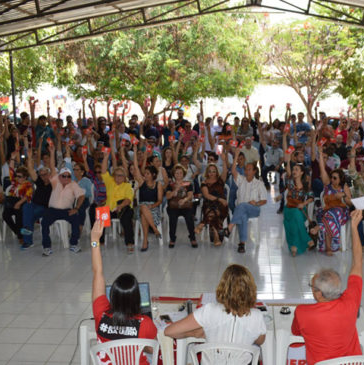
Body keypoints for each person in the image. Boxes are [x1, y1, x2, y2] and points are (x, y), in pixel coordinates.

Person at [291, 210, 364, 365]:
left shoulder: (302, 312)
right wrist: (354, 228)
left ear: (319, 293)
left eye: (312, 286)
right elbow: (358, 263)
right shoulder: (351, 302)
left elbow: (295, 332)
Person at [90, 220, 157, 363]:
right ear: (136, 299)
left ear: (112, 296)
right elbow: (153, 349)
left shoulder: (100, 314)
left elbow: (98, 273)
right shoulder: (145, 323)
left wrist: (95, 240)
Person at [164, 264, 266, 353]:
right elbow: (260, 341)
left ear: (223, 287)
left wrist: (196, 333)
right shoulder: (257, 316)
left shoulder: (209, 310)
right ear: (250, 290)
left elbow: (169, 331)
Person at [40, 150, 86, 256]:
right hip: (53, 210)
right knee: (44, 222)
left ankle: (74, 244)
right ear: (59, 176)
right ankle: (47, 247)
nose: (66, 178)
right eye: (64, 176)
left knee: (76, 218)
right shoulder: (56, 181)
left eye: (68, 176)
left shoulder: (73, 184)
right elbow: (52, 166)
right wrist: (52, 151)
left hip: (66, 210)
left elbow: (81, 196)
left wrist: (76, 208)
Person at [222, 153, 267, 254]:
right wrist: (236, 155)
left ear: (254, 171)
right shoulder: (241, 180)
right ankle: (242, 244)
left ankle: (229, 227)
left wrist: (256, 203)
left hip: (254, 209)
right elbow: (233, 171)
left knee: (241, 206)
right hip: (241, 210)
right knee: (242, 214)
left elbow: (264, 200)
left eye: (249, 169)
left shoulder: (259, 183)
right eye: (246, 169)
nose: (246, 171)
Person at [317, 151, 352, 255]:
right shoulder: (328, 184)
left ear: (341, 179)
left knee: (332, 214)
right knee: (329, 215)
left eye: (335, 178)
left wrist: (343, 196)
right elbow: (322, 169)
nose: (332, 179)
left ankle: (327, 245)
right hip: (328, 211)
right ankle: (329, 247)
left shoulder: (344, 187)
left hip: (341, 212)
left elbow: (349, 203)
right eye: (331, 177)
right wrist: (320, 151)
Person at [100, 150, 136, 253]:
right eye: (116, 175)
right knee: (100, 215)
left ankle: (129, 243)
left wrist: (120, 206)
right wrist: (106, 157)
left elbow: (128, 200)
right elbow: (103, 171)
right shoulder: (110, 182)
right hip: (109, 208)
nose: (118, 177)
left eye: (121, 175)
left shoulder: (127, 186)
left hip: (123, 208)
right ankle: (99, 242)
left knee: (126, 219)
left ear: (124, 177)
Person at [21, 143, 53, 250]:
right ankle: (27, 237)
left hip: (45, 207)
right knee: (26, 208)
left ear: (49, 174)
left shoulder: (53, 184)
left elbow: (52, 167)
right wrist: (29, 157)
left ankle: (27, 240)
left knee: (29, 216)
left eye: (45, 174)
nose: (43, 176)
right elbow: (30, 170)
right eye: (41, 175)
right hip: (34, 204)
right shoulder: (39, 181)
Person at [282, 151, 314, 256]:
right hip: (289, 209)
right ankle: (306, 239)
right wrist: (288, 154)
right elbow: (287, 163)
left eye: (297, 170)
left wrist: (304, 203)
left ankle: (294, 246)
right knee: (295, 214)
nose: (294, 171)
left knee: (296, 218)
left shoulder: (305, 185)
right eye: (293, 169)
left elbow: (311, 197)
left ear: (301, 173)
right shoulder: (290, 182)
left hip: (301, 209)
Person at [132, 150, 163, 252]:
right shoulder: (142, 183)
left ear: (153, 175)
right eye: (145, 173)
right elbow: (136, 168)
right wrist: (135, 148)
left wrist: (152, 206)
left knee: (144, 215)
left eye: (147, 173)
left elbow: (160, 200)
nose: (145, 175)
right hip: (141, 208)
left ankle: (145, 241)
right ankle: (154, 229)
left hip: (153, 209)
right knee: (143, 207)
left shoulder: (158, 185)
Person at [195, 156, 229, 246]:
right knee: (213, 210)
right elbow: (207, 195)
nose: (212, 173)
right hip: (209, 203)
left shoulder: (221, 180)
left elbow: (225, 171)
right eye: (210, 171)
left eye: (214, 171)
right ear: (207, 173)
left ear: (217, 172)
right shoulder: (204, 183)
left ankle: (202, 224)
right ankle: (216, 237)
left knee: (213, 211)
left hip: (222, 206)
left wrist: (224, 159)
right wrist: (219, 199)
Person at [165, 164, 197, 248]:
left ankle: (192, 237)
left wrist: (184, 200)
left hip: (185, 205)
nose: (179, 175)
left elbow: (190, 195)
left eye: (180, 173)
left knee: (190, 217)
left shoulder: (188, 184)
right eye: (176, 173)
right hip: (173, 206)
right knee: (172, 218)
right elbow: (168, 196)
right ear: (174, 174)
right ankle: (172, 238)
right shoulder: (170, 185)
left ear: (183, 174)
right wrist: (176, 189)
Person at [3, 166, 33, 245]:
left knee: (18, 214)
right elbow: (11, 172)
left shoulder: (28, 185)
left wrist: (18, 203)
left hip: (21, 203)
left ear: (25, 177)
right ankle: (18, 232)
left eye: (19, 176)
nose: (17, 178)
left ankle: (20, 236)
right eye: (17, 176)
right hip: (12, 203)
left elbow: (27, 196)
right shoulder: (15, 182)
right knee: (5, 215)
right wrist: (12, 159)